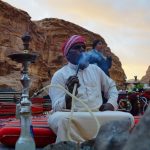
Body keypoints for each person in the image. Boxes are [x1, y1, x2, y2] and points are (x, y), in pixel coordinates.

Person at [48, 35, 134, 143]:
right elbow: (57, 108)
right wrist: (69, 94)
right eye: (77, 47)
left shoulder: (95, 70)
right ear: (68, 54)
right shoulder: (60, 75)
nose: (82, 50)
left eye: (83, 48)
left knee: (128, 118)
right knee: (63, 121)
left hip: (97, 114)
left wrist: (111, 104)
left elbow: (111, 86)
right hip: (73, 116)